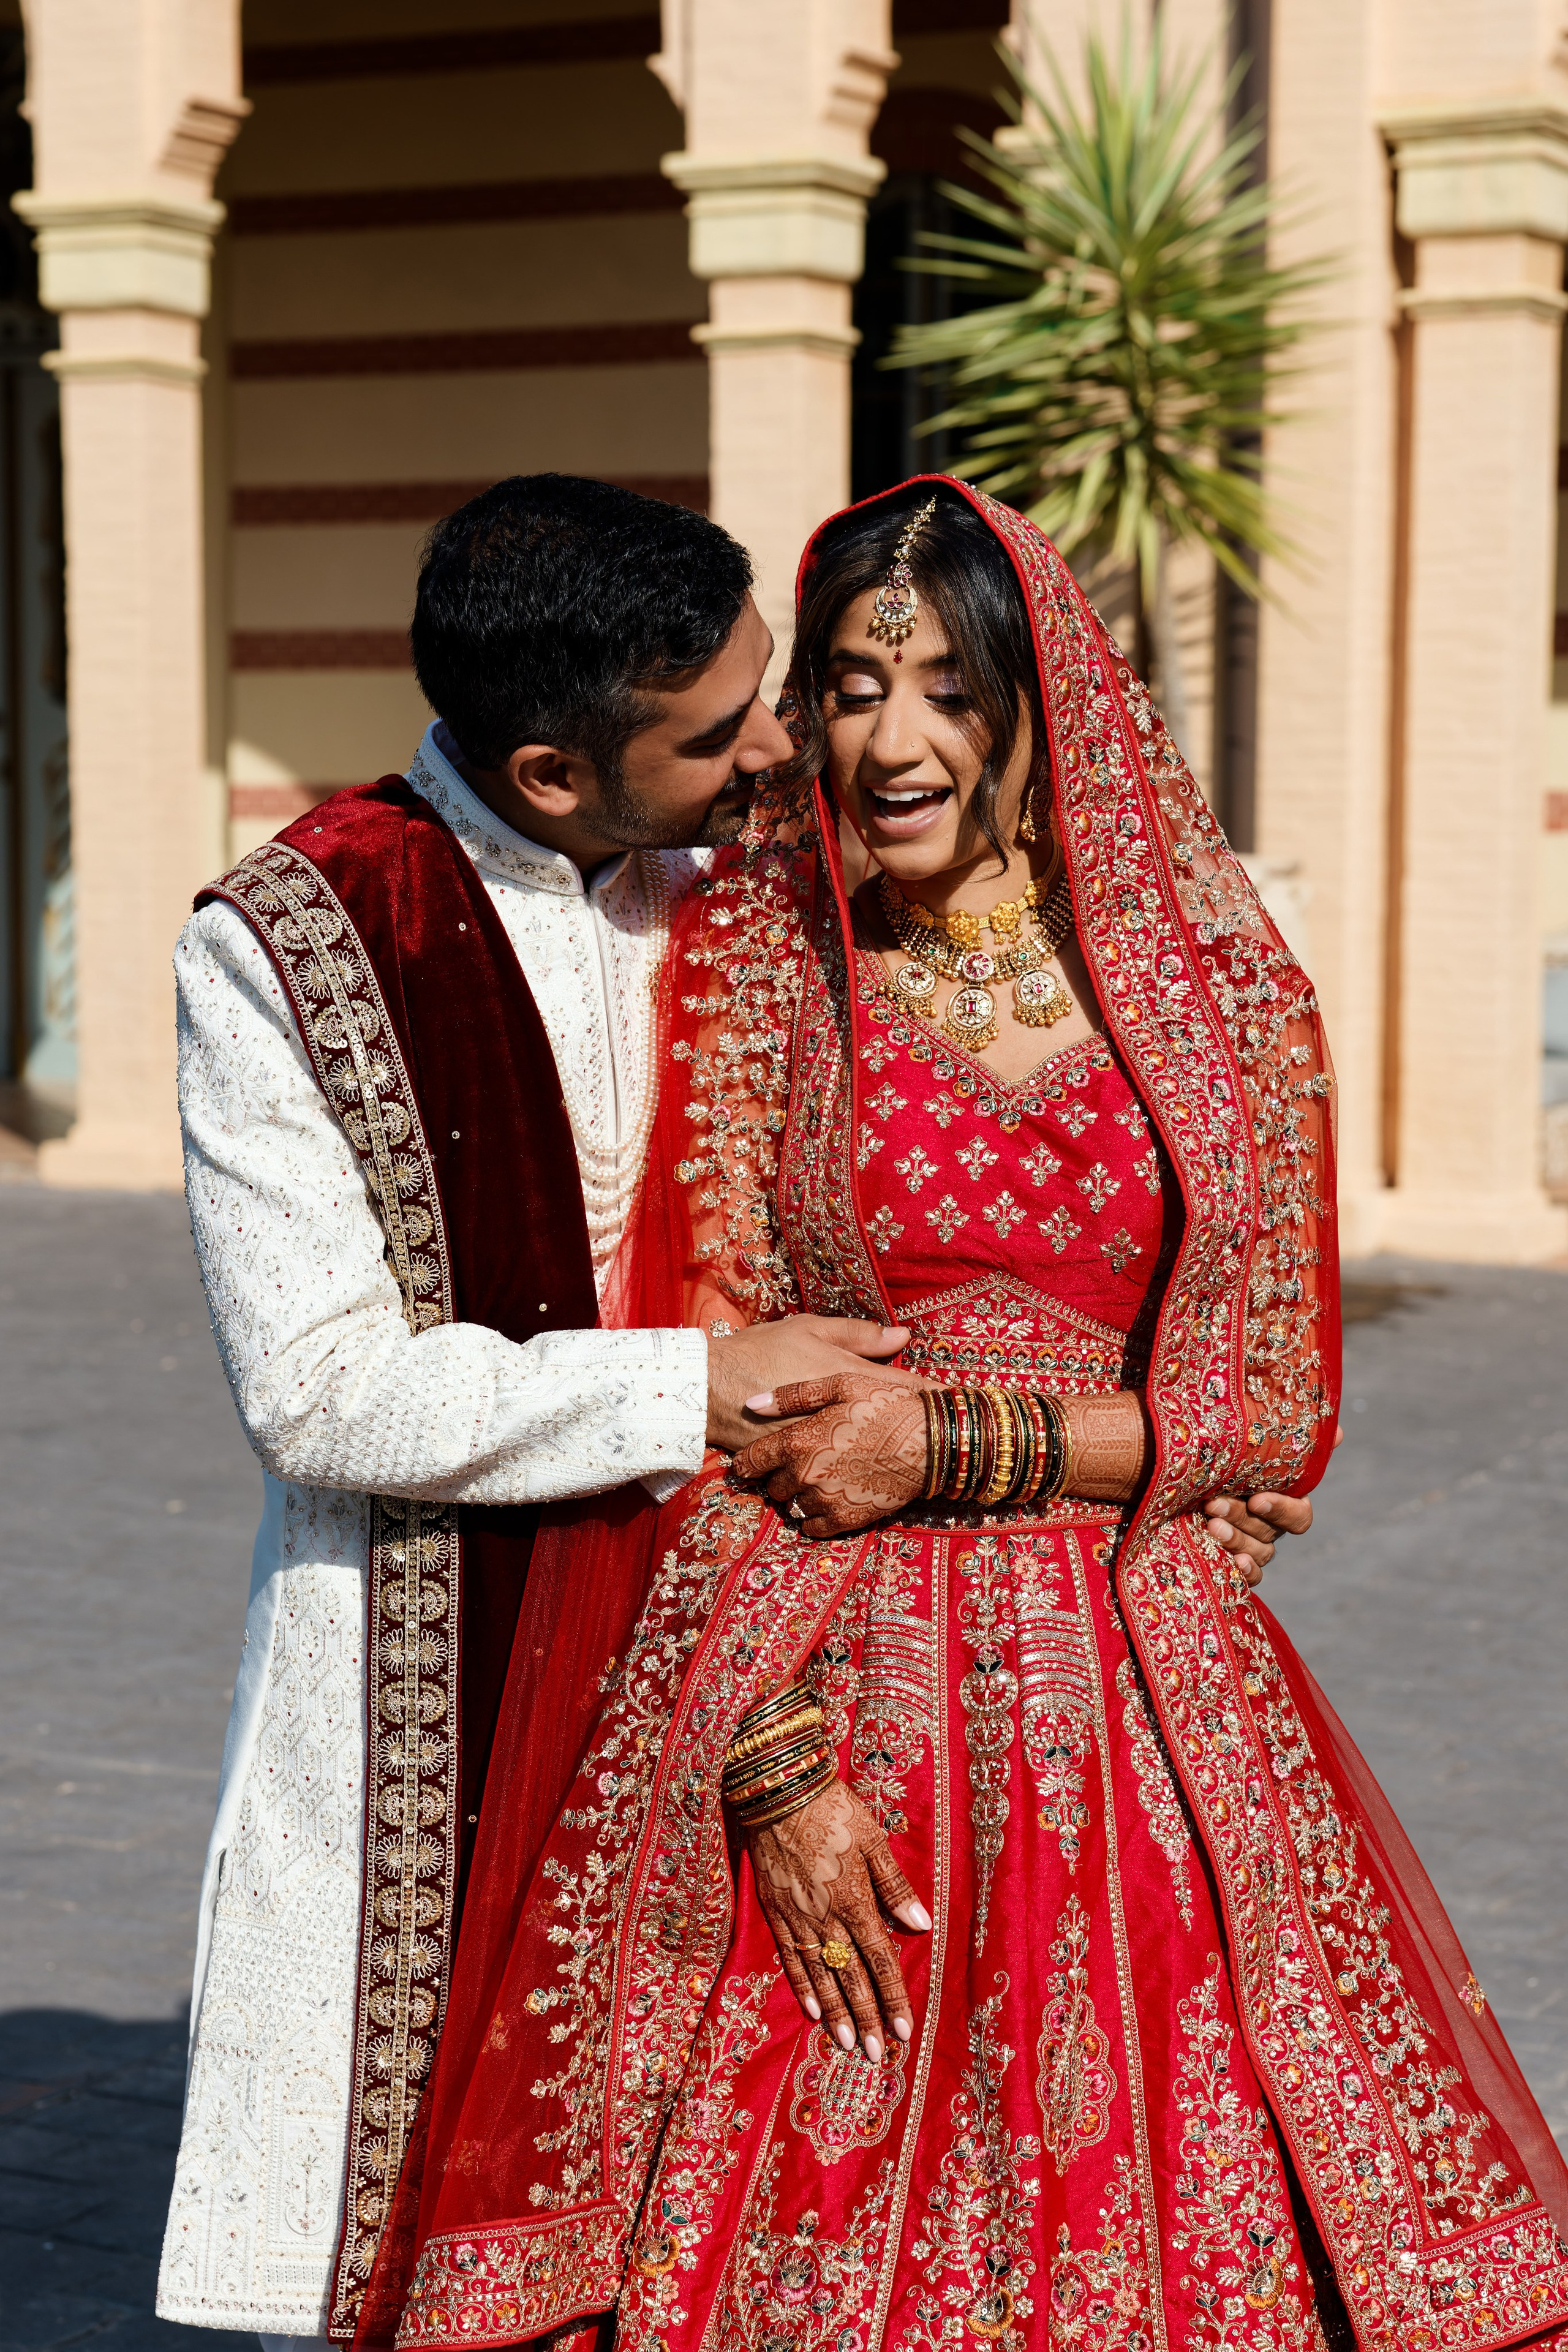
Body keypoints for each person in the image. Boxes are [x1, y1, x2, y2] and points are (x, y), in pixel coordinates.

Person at [355, 481, 1568, 2352]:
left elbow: (1259, 1416)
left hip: (1144, 1692)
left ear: (1036, 702)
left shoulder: (1215, 983)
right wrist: (772, 1768)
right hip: (828, 1660)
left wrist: (950, 1444)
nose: (891, 741)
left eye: (944, 689)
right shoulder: (768, 957)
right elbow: (700, 1354)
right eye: (848, 687)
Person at [153, 476, 932, 2346]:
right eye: (718, 728)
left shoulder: (754, 881)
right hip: (434, 1664)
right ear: (552, 772)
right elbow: (324, 1395)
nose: (774, 749)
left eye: (765, 690)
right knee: (417, 2210)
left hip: (772, 1628)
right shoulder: (296, 943)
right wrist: (695, 1383)